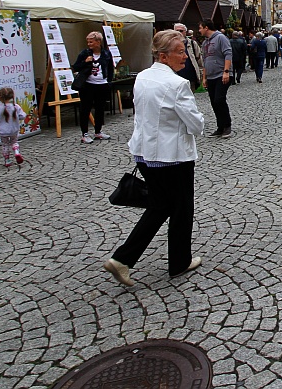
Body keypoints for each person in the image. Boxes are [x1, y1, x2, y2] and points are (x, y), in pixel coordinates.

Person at [104, 30, 206, 287]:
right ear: (164, 56)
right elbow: (195, 125)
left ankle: (123, 259)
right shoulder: (177, 84)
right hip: (172, 156)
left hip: (145, 152)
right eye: (180, 52)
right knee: (181, 208)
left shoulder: (143, 77)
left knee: (160, 206)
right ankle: (178, 261)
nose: (185, 56)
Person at [72, 31, 115, 144]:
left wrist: (109, 81)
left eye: (91, 42)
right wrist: (85, 62)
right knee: (85, 109)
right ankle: (84, 134)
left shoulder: (106, 54)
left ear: (98, 42)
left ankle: (98, 132)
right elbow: (75, 67)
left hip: (102, 84)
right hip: (87, 85)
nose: (89, 44)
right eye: (88, 42)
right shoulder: (84, 53)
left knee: (100, 109)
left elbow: (110, 68)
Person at [199, 21, 233, 137]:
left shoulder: (220, 38)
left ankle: (227, 126)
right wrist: (204, 77)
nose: (199, 31)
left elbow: (228, 54)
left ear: (206, 27)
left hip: (221, 74)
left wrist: (226, 71)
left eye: (200, 28)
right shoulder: (204, 43)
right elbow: (205, 61)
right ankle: (220, 126)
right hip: (211, 75)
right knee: (214, 102)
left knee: (219, 99)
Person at [173, 23, 203, 91]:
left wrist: (200, 75)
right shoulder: (169, 44)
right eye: (177, 31)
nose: (178, 33)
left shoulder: (192, 43)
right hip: (175, 79)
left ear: (185, 32)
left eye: (181, 31)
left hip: (190, 79)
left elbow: (199, 59)